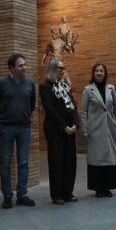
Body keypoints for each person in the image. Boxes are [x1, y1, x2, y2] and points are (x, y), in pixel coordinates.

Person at [0, 53, 37, 209]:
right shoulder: (1, 84)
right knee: (5, 162)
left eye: (24, 64)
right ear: (11, 68)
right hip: (5, 127)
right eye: (20, 65)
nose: (24, 67)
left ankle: (22, 194)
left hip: (24, 127)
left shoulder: (30, 83)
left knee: (23, 162)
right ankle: (7, 195)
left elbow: (31, 104)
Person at [40, 59, 78, 205]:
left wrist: (75, 124)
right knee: (57, 162)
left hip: (70, 129)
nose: (63, 71)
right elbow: (50, 110)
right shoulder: (45, 87)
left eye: (64, 68)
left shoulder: (65, 86)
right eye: (59, 68)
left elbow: (73, 106)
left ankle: (68, 192)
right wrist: (64, 127)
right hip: (55, 129)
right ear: (52, 69)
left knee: (70, 161)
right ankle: (57, 195)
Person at [80, 63, 116, 197]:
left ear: (105, 73)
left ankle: (107, 187)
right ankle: (98, 188)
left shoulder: (111, 88)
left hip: (109, 127)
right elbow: (83, 111)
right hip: (95, 128)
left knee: (109, 158)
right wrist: (84, 129)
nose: (99, 73)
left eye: (101, 71)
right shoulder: (88, 90)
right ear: (93, 73)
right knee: (97, 158)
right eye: (96, 71)